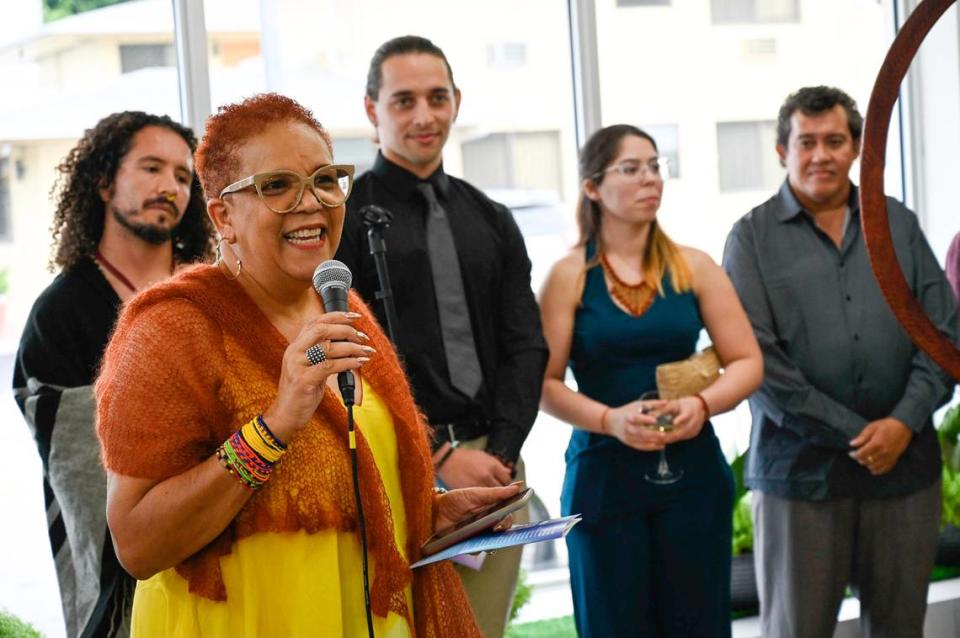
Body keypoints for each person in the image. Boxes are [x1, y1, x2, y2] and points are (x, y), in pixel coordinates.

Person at [95, 92, 519, 637]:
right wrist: (275, 427)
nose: (312, 202)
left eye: (324, 179)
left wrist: (427, 510)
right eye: (276, 186)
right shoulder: (170, 329)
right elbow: (137, 545)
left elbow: (351, 482)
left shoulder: (343, 306)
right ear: (222, 215)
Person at [723, 85, 958, 638]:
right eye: (807, 142)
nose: (821, 154)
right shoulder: (750, 238)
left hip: (905, 473)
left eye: (834, 140)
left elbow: (943, 333)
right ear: (783, 151)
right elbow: (758, 362)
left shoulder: (897, 223)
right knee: (796, 630)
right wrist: (861, 435)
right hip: (800, 479)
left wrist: (902, 422)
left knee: (900, 629)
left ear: (857, 148)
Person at [336, 35, 548, 637]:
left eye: (436, 98)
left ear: (456, 101)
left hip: (493, 469)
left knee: (481, 630)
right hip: (392, 465)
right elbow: (350, 357)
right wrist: (439, 457)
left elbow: (525, 346)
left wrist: (501, 453)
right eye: (404, 101)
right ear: (373, 110)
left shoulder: (492, 219)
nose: (424, 116)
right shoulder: (343, 224)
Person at [539, 124, 763, 637]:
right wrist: (607, 419)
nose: (651, 179)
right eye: (632, 168)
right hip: (603, 477)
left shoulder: (694, 266)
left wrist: (703, 405)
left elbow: (748, 361)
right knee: (612, 624)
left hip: (691, 476)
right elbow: (545, 385)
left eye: (656, 166)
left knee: (698, 623)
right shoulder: (569, 275)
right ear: (592, 187)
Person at [13, 111, 214, 638]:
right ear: (104, 182)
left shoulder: (215, 297)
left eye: (182, 177)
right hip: (131, 583)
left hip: (240, 567)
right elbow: (82, 464)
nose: (168, 186)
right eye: (151, 168)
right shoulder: (60, 313)